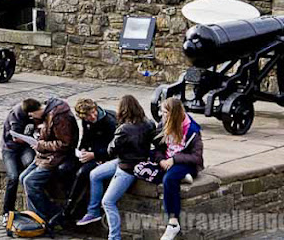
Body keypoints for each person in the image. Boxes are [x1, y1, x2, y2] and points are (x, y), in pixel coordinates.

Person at [77, 95, 155, 240]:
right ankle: (93, 211)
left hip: (127, 168)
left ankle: (114, 237)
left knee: (108, 202)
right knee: (95, 174)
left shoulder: (123, 129)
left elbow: (110, 150)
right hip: (132, 161)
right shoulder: (149, 123)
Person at [56, 98, 117, 221]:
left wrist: (94, 155)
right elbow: (86, 138)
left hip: (103, 156)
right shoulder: (86, 122)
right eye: (88, 116)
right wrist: (82, 150)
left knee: (83, 173)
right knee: (63, 169)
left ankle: (70, 209)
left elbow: (113, 148)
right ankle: (71, 198)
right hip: (90, 153)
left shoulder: (109, 121)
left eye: (93, 112)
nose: (93, 116)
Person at [19, 97, 78, 222]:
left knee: (30, 182)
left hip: (55, 157)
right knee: (22, 177)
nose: (32, 117)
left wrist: (40, 145)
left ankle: (39, 218)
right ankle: (52, 211)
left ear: (35, 111)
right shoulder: (47, 114)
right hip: (44, 155)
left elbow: (64, 144)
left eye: (32, 115)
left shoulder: (59, 118)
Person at [152, 98, 204, 240]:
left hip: (185, 163)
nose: (161, 114)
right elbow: (156, 148)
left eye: (164, 112)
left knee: (169, 179)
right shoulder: (163, 124)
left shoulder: (192, 130)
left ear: (173, 114)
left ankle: (173, 223)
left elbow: (197, 158)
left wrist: (174, 159)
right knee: (148, 172)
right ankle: (182, 176)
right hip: (167, 161)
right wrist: (161, 160)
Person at [0, 98, 38, 223]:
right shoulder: (16, 115)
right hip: (10, 148)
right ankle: (7, 211)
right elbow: (15, 138)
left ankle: (34, 208)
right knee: (13, 176)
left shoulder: (35, 112)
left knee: (31, 166)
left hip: (25, 147)